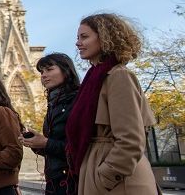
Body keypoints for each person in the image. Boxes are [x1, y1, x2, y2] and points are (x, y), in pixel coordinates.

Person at [66, 13, 159, 194]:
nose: (78, 43)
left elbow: (130, 140)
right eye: (77, 38)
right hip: (97, 173)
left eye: (84, 37)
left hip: (118, 182)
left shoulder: (118, 76)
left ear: (105, 37)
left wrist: (105, 177)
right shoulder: (94, 78)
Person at [20, 53, 79, 194]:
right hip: (54, 180)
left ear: (66, 70)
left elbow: (80, 148)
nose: (43, 75)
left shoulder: (78, 100)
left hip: (73, 181)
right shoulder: (53, 103)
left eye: (49, 69)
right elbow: (56, 147)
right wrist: (36, 144)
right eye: (41, 71)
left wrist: (45, 143)